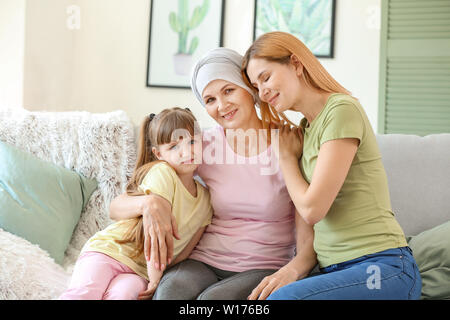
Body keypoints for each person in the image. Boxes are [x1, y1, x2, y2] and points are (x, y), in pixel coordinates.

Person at [108, 48, 317, 300]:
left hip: (262, 265)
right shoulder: (200, 145)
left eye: (229, 90)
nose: (222, 105)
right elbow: (116, 206)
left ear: (249, 89)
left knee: (210, 302)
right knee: (170, 293)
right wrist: (149, 202)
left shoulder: (288, 143)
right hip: (202, 260)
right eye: (210, 100)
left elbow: (308, 233)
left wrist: (293, 271)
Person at [241, 31, 422, 300]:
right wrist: (292, 270)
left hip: (382, 268)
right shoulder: (304, 131)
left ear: (296, 64)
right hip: (335, 272)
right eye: (256, 87)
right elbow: (310, 228)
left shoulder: (341, 110)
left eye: (265, 77)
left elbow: (313, 209)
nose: (262, 92)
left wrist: (287, 159)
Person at [59, 107, 213, 300]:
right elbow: (154, 235)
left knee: (123, 296)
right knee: (84, 294)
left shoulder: (206, 201)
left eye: (192, 141)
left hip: (138, 272)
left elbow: (182, 254)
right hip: (109, 252)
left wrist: (156, 279)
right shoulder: (163, 173)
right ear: (159, 154)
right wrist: (156, 280)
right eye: (174, 146)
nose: (187, 151)